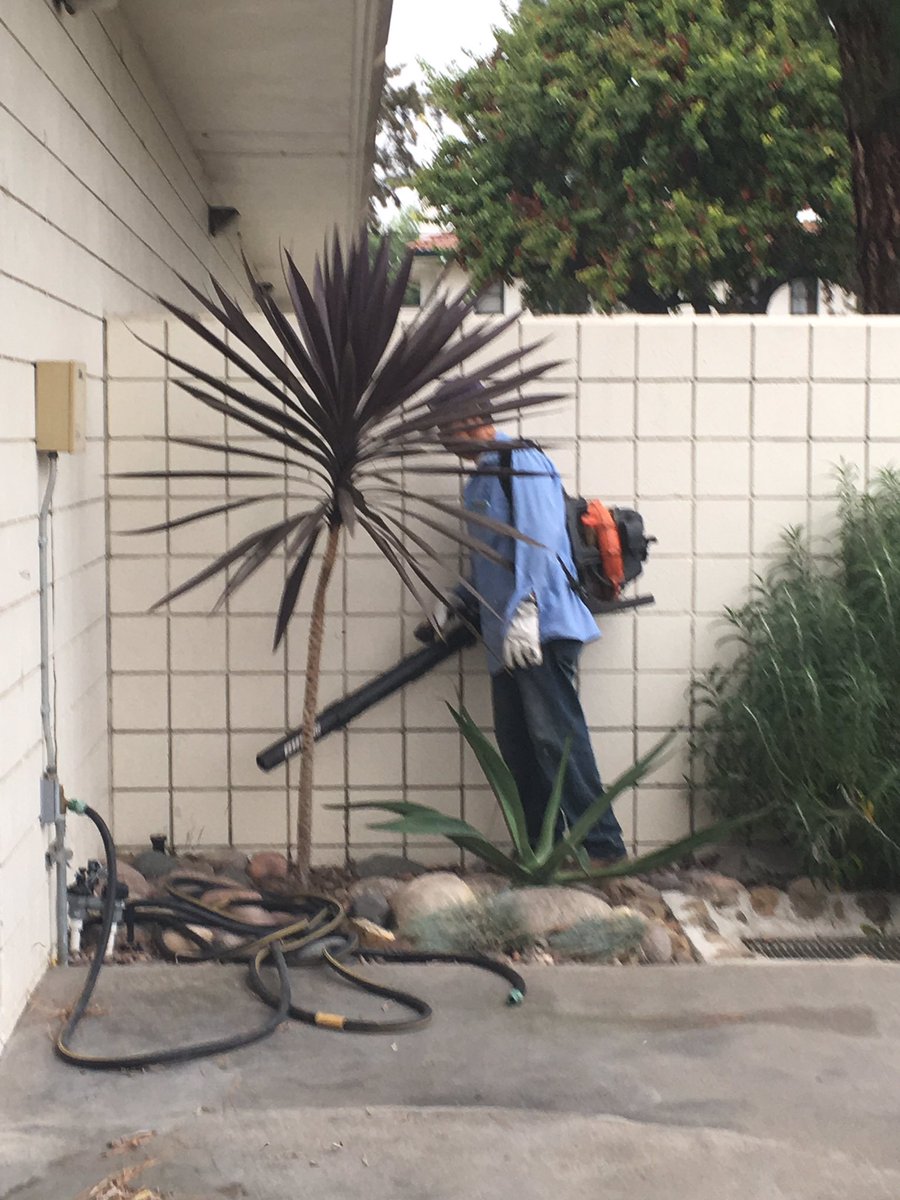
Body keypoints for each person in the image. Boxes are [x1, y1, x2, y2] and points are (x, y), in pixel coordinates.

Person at [428, 387, 627, 866]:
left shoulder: (524, 460)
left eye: (445, 426)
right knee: (519, 746)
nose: (441, 438)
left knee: (556, 739)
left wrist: (527, 609)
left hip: (542, 629)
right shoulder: (477, 483)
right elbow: (490, 560)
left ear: (474, 418)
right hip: (504, 639)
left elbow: (539, 539)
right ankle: (542, 849)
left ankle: (602, 847)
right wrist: (455, 600)